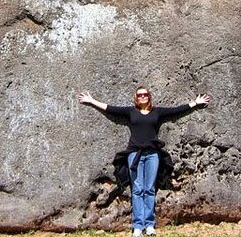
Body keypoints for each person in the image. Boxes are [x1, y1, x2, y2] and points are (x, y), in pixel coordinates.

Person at [77, 86, 211, 237]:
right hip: (134, 154)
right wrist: (91, 100)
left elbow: (176, 111)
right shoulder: (131, 112)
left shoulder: (157, 112)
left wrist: (195, 102)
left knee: (149, 189)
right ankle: (138, 226)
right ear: (136, 97)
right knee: (137, 189)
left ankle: (149, 225)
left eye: (145, 94)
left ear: (149, 96)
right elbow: (110, 109)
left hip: (153, 154)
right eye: (140, 95)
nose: (142, 97)